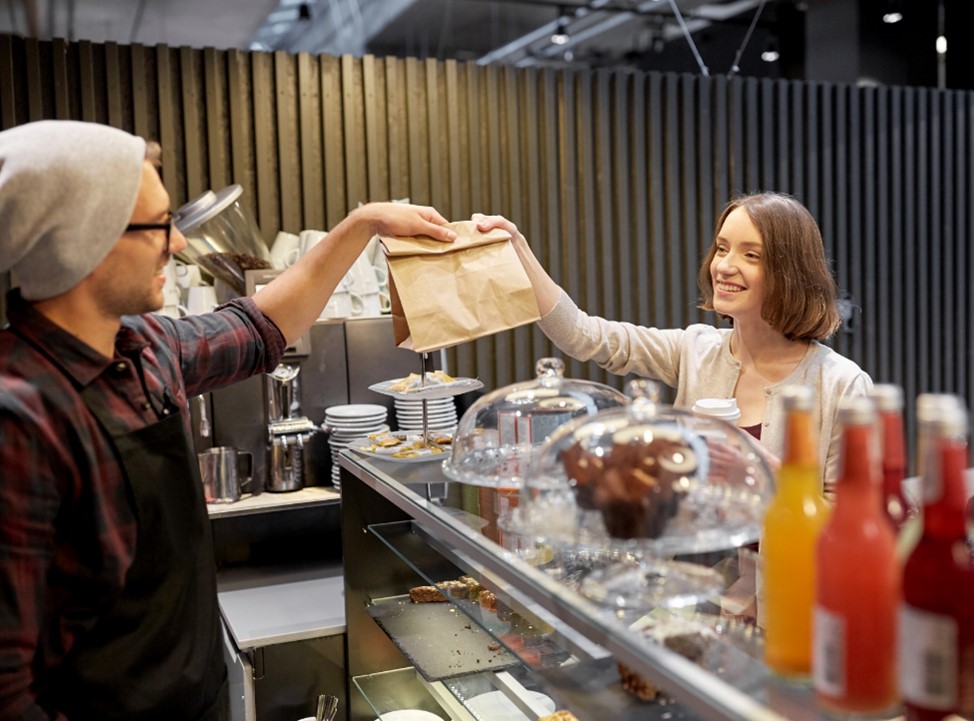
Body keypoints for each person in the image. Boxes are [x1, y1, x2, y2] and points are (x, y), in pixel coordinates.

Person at [0, 119, 456, 720]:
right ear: (85, 242)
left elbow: (261, 325)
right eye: (158, 225)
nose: (178, 244)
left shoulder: (145, 348)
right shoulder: (20, 416)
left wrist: (363, 224)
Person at [472, 192, 873, 490]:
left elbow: (844, 524)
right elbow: (585, 335)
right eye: (721, 248)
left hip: (786, 594)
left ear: (790, 272)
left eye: (751, 255)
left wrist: (758, 468)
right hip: (698, 587)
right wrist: (518, 249)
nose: (724, 266)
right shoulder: (696, 349)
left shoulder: (841, 385)